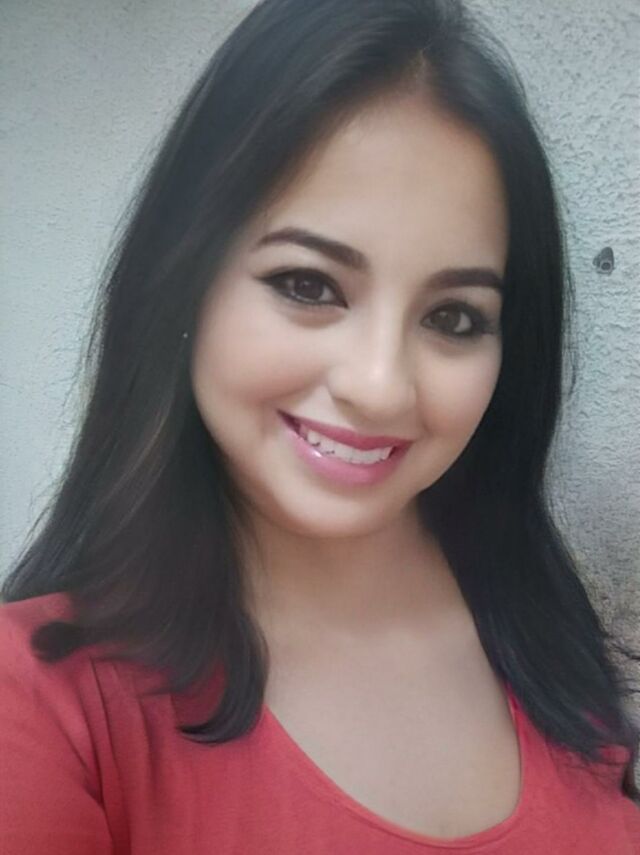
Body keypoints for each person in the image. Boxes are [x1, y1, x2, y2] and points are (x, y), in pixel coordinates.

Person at [1, 0, 639, 852]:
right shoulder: (42, 705)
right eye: (308, 285)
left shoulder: (543, 630)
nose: (379, 386)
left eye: (453, 317)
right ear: (183, 282)